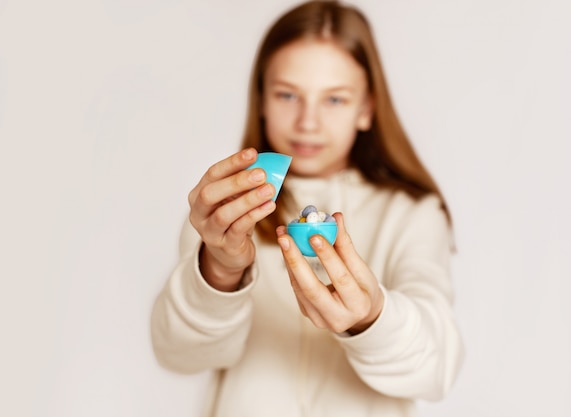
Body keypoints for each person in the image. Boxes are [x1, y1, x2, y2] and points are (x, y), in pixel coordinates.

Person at [150, 1, 464, 415]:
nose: (308, 123)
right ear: (261, 98)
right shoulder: (225, 213)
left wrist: (371, 318)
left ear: (366, 108)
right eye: (287, 94)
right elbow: (179, 355)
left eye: (334, 100)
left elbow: (436, 368)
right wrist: (220, 272)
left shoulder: (411, 214)